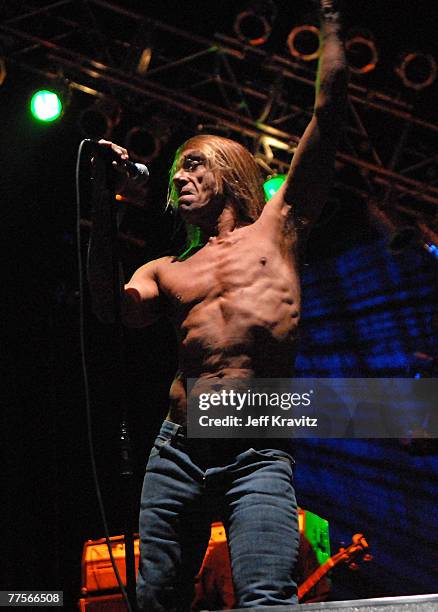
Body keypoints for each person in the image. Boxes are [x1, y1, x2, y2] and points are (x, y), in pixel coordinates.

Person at [93, 1, 348, 609]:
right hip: (177, 443)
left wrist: (333, 19)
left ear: (231, 171)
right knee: (157, 598)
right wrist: (105, 207)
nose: (179, 177)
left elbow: (329, 113)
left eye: (194, 164)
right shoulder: (165, 267)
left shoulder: (280, 224)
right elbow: (113, 311)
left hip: (255, 440)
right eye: (176, 171)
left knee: (265, 595)